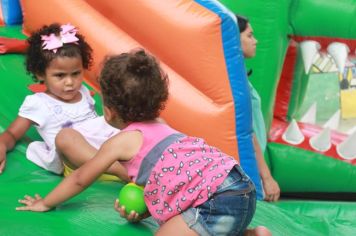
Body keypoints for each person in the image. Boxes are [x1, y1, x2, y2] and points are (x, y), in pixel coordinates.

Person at [16, 49, 271, 236]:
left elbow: (81, 177)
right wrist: (145, 211)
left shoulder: (123, 141)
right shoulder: (164, 127)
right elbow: (178, 184)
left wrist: (45, 203)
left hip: (216, 198)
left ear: (109, 111)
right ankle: (252, 234)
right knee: (207, 225)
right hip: (240, 187)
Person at [0, 23, 129, 182]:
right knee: (67, 137)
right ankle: (118, 169)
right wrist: (2, 146)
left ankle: (128, 161)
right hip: (75, 160)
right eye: (60, 76)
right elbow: (12, 133)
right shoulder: (38, 103)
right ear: (40, 74)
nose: (70, 82)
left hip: (104, 148)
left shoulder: (82, 90)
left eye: (76, 73)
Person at [236, 14, 281, 202]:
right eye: (249, 36)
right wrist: (266, 177)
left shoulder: (239, 75)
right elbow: (247, 131)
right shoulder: (237, 82)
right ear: (233, 38)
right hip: (248, 166)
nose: (256, 41)